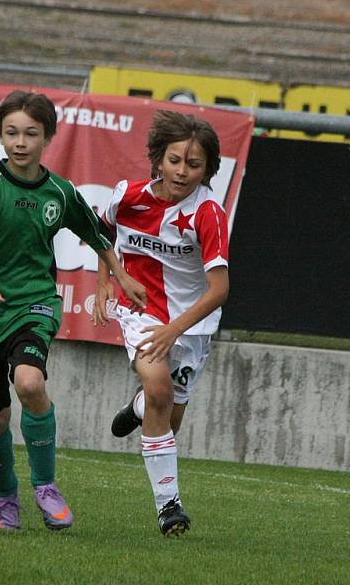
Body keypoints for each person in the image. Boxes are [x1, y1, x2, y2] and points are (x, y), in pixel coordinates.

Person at [0, 90, 146, 531]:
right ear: (0, 135)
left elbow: (97, 232)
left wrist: (120, 276)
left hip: (34, 304)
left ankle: (45, 486)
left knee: (29, 383)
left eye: (30, 133)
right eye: (11, 133)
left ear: (48, 137)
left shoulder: (60, 193)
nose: (20, 142)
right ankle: (6, 498)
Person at [93, 109, 229, 537]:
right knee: (159, 389)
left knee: (166, 415)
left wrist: (176, 330)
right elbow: (101, 232)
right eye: (175, 160)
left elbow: (218, 289)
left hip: (193, 326)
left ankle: (139, 409)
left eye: (194, 164)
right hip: (143, 311)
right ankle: (169, 507)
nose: (182, 171)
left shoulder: (208, 213)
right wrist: (105, 282)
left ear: (207, 169)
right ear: (157, 158)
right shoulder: (127, 196)